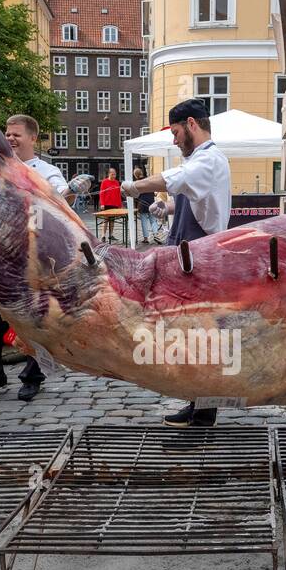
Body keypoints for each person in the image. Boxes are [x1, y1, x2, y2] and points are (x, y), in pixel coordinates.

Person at [120, 98, 232, 427]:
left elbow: (175, 180)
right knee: (189, 336)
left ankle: (205, 410)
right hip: (186, 259)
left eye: (176, 131)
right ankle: (196, 402)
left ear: (192, 125)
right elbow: (196, 197)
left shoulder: (209, 158)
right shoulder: (200, 160)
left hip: (201, 259)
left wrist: (134, 186)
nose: (174, 139)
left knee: (201, 337)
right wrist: (167, 209)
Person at [0, 114, 75, 403]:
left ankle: (32, 377)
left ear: (33, 138)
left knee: (34, 322)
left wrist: (66, 194)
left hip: (32, 259)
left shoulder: (45, 171)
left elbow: (60, 194)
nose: (10, 138)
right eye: (7, 133)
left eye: (17, 134)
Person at [131, 167, 157, 244]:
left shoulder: (136, 183)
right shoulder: (149, 180)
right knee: (153, 220)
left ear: (135, 175)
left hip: (142, 204)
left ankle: (146, 238)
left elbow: (135, 195)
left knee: (144, 222)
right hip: (151, 202)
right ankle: (156, 235)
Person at [98, 167, 122, 241]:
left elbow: (118, 194)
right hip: (106, 204)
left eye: (115, 174)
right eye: (112, 174)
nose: (114, 176)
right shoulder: (104, 182)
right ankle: (103, 236)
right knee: (106, 220)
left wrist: (120, 205)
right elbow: (101, 193)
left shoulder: (117, 182)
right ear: (109, 174)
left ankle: (111, 235)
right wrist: (102, 204)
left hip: (114, 204)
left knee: (112, 221)